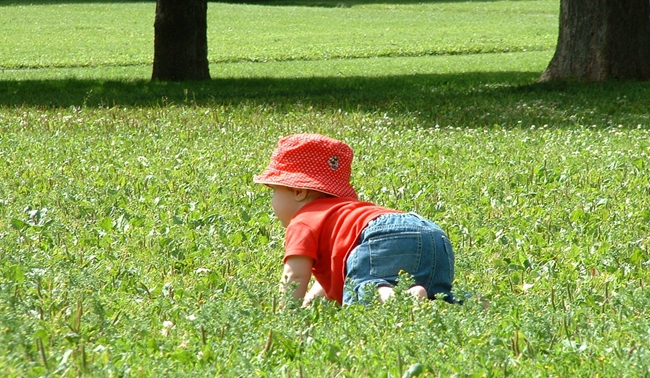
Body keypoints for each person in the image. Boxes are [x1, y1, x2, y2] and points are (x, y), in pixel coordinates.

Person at [254, 133, 455, 306]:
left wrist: (285, 315)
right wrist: (309, 302)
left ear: (298, 191)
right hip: (434, 235)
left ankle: (394, 298)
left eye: (273, 191)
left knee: (365, 290)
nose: (272, 200)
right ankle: (472, 302)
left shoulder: (303, 220)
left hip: (381, 235)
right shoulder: (340, 214)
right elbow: (335, 276)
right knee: (438, 298)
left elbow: (295, 276)